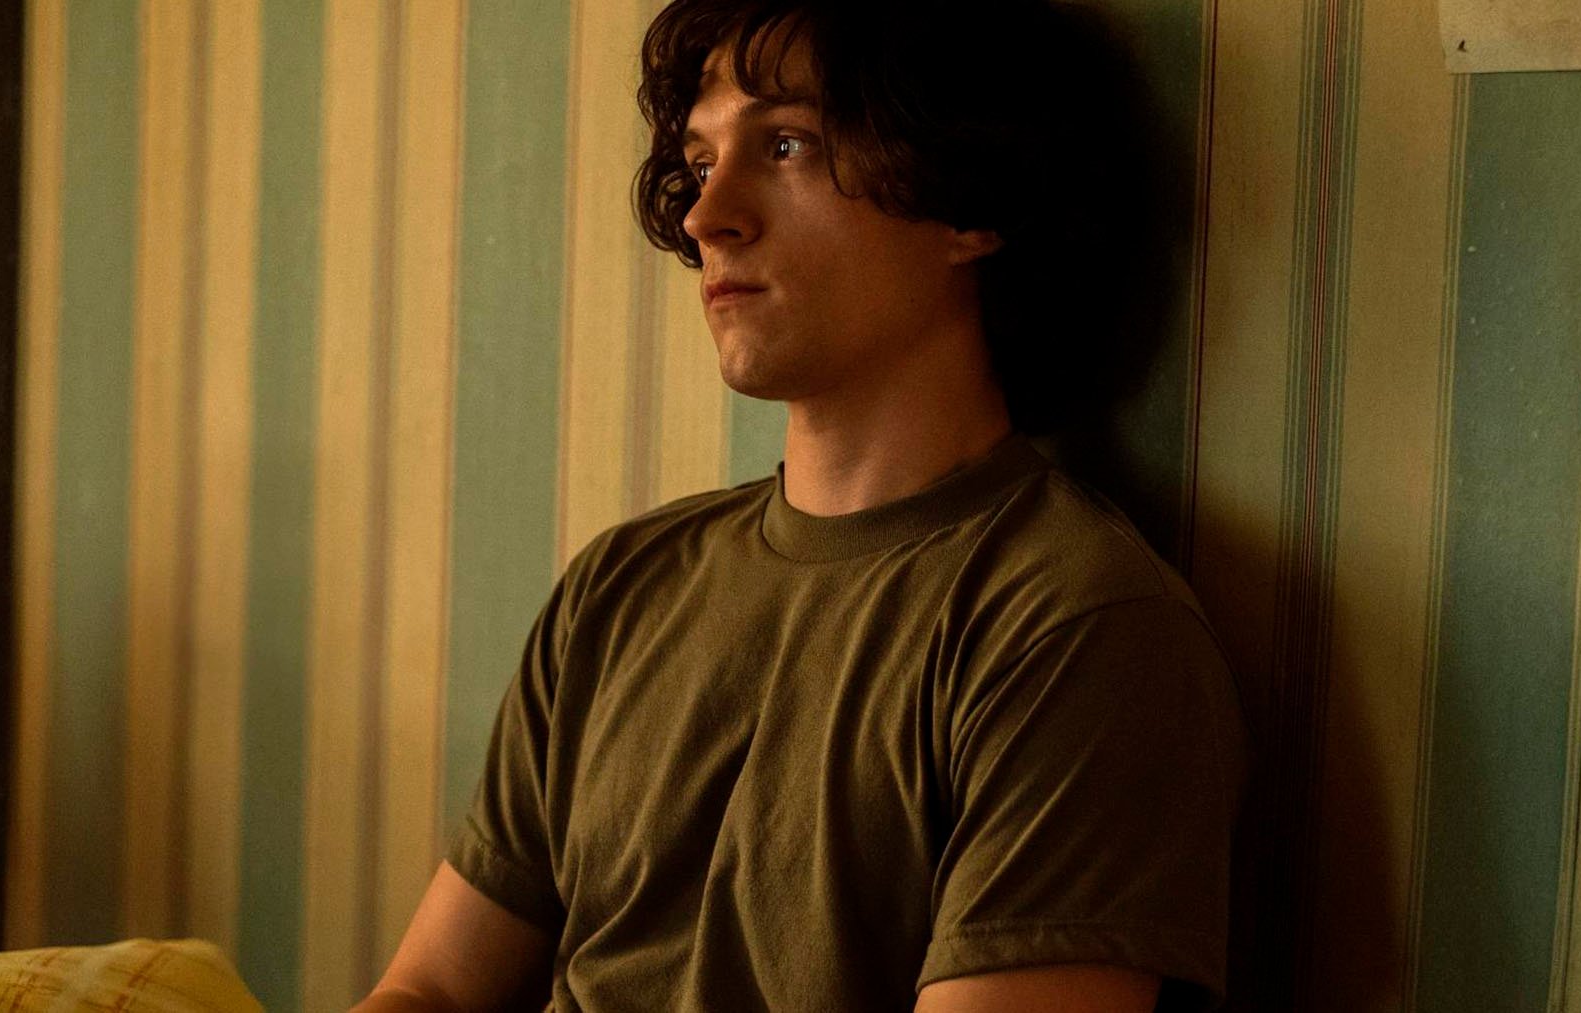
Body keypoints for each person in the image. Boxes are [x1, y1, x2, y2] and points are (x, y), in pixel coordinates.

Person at [356, 1, 1246, 1010]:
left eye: (785, 145)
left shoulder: (1074, 629)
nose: (706, 218)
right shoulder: (620, 584)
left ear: (969, 202)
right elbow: (430, 987)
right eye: (700, 163)